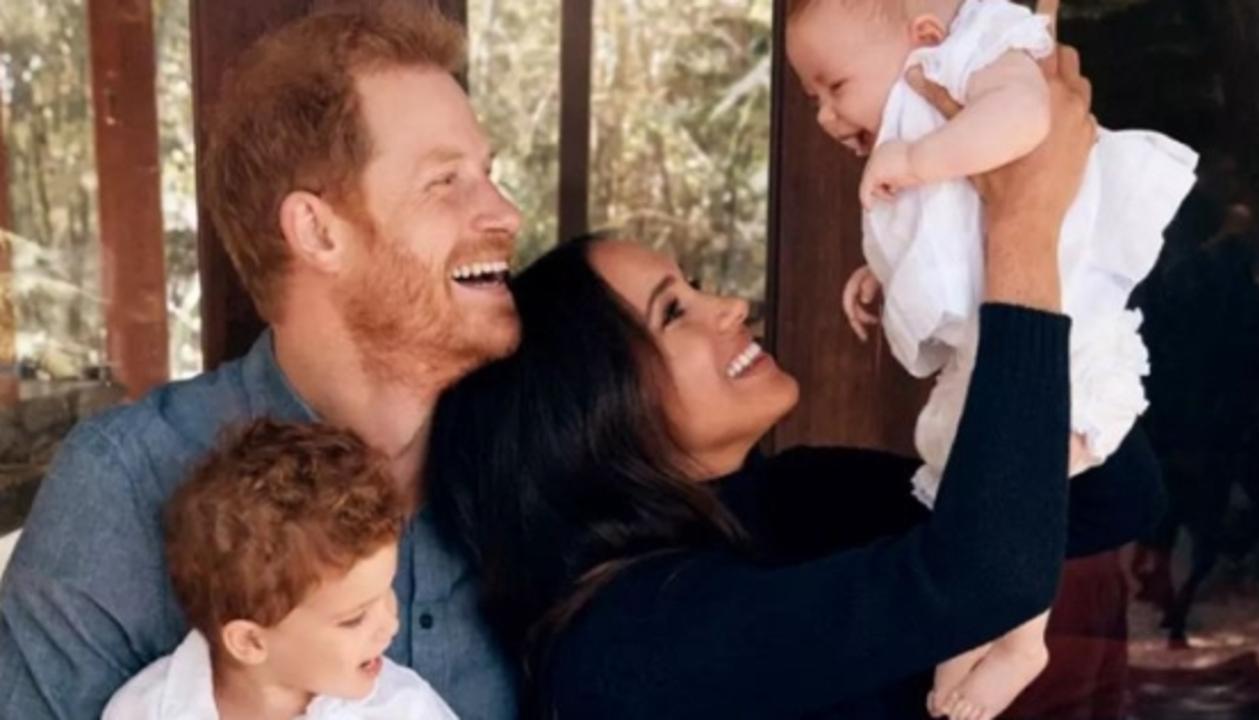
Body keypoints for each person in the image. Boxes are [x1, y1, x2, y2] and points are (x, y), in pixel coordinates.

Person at [427, 46, 1165, 720]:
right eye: (675, 312)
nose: (732, 308)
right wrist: (1023, 227)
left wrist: (968, 281)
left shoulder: (791, 498)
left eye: (698, 284)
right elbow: (986, 577)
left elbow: (1105, 499)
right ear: (590, 411)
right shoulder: (629, 642)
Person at [0, 4, 520, 718]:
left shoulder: (533, 458)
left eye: (488, 174)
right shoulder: (124, 488)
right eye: (446, 181)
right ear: (317, 231)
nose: (505, 213)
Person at [784, 0, 1196, 714]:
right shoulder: (921, 110)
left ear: (921, 38)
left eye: (835, 85)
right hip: (995, 346)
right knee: (971, 492)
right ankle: (971, 633)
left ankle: (1019, 641)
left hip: (1066, 334)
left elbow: (1026, 121)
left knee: (1019, 484)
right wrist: (884, 274)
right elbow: (952, 225)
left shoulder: (980, 51)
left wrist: (914, 159)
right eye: (812, 97)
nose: (824, 114)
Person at [103, 420, 458, 720]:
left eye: (387, 592)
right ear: (251, 641)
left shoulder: (403, 709)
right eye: (355, 618)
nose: (391, 624)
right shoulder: (146, 711)